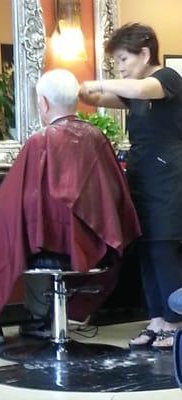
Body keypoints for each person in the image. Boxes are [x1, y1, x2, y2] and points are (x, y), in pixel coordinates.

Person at [0, 68, 141, 345]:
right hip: (91, 240)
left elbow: (11, 203)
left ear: (43, 103)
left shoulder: (40, 141)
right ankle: (40, 318)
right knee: (37, 236)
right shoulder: (96, 136)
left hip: (52, 242)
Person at [79, 22, 182, 350]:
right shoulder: (137, 90)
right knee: (146, 251)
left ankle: (175, 323)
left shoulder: (166, 79)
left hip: (168, 182)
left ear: (145, 54)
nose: (121, 67)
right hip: (141, 178)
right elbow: (110, 98)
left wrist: (97, 81)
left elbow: (136, 90)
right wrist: (84, 92)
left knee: (164, 250)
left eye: (123, 59)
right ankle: (156, 320)